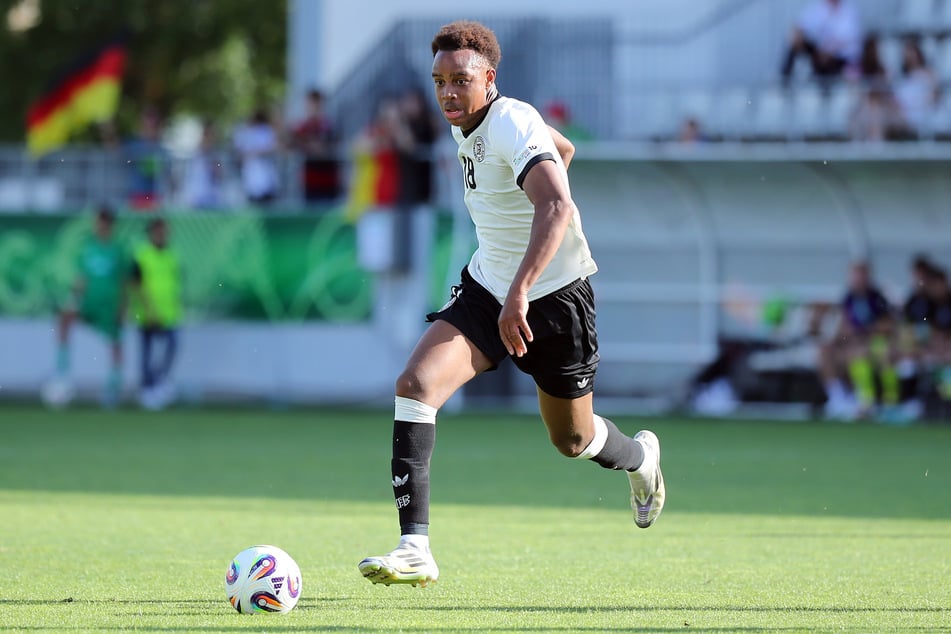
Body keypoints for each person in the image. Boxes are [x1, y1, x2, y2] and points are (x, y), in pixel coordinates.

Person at [358, 20, 665, 588]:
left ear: (489, 78)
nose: (448, 92)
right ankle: (414, 547)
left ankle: (641, 460)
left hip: (553, 299)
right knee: (414, 386)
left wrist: (520, 291)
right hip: (487, 290)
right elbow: (562, 148)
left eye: (460, 80)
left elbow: (556, 208)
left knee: (572, 441)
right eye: (439, 81)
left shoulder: (510, 121)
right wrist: (506, 289)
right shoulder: (472, 121)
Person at [43, 205, 126, 408]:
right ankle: (61, 375)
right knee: (64, 319)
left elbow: (124, 283)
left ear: (111, 226)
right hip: (88, 303)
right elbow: (81, 278)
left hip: (108, 305)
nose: (101, 227)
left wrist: (122, 308)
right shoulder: (88, 247)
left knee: (116, 344)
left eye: (105, 223)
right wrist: (73, 298)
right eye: (99, 222)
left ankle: (112, 389)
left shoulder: (118, 250)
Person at [818, 261, 896, 419]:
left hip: (873, 342)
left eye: (861, 275)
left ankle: (869, 401)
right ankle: (838, 399)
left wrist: (866, 331)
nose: (857, 279)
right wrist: (840, 338)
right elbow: (843, 325)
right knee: (825, 351)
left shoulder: (877, 298)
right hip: (851, 342)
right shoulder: (848, 298)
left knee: (861, 353)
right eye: (854, 276)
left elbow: (888, 325)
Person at [130, 218, 183, 410]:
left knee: (172, 347)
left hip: (169, 313)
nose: (162, 235)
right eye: (158, 231)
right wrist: (148, 309)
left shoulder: (171, 255)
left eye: (165, 231)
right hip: (148, 313)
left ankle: (160, 383)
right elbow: (136, 284)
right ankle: (147, 388)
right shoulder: (142, 255)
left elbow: (174, 282)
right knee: (148, 352)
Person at [780, 0, 861, 86]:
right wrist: (797, 37)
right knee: (795, 44)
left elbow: (848, 41)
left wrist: (827, 50)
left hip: (840, 58)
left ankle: (825, 88)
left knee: (826, 59)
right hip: (820, 54)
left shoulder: (849, 11)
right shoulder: (817, 8)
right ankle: (785, 83)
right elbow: (799, 26)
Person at [291, 89, 341, 205]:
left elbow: (326, 148)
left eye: (315, 104)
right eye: (309, 104)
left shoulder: (329, 125)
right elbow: (292, 143)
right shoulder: (302, 126)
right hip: (310, 181)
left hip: (329, 181)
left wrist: (308, 144)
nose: (312, 107)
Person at [233, 109, 280, 206]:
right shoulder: (246, 133)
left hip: (266, 181)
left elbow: (272, 147)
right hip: (251, 181)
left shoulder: (266, 131)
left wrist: (256, 152)